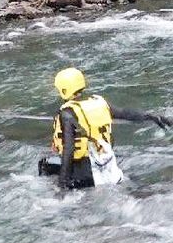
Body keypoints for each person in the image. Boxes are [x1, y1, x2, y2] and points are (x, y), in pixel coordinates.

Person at [39, 67, 172, 189]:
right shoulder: (99, 103)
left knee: (44, 165)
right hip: (106, 164)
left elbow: (69, 149)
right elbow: (125, 113)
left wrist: (62, 184)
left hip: (83, 173)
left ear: (64, 90)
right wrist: (151, 116)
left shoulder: (67, 113)